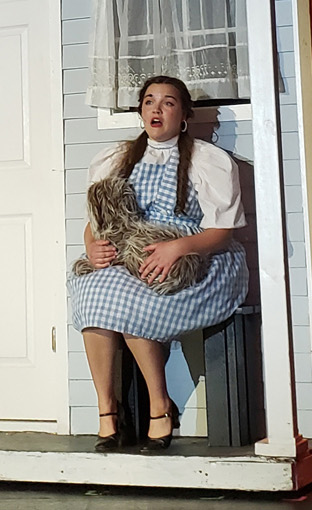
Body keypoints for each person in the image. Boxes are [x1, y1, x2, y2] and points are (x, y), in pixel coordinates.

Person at [67, 75, 248, 451]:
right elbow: (96, 221)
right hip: (130, 251)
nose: (157, 109)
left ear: (183, 115)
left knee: (136, 293)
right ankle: (108, 412)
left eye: (168, 102)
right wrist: (93, 246)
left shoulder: (206, 159)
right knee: (94, 288)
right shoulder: (118, 159)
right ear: (140, 112)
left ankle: (159, 404)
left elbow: (222, 232)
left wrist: (177, 248)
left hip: (196, 255)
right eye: (149, 101)